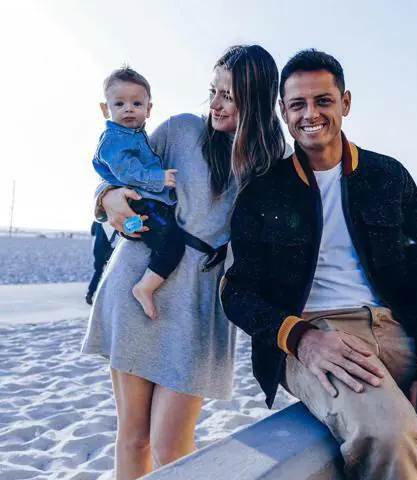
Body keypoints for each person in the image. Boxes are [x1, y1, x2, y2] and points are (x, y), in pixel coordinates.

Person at [221, 49, 417, 479]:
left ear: (345, 103)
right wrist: (301, 338)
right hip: (312, 334)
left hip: (394, 326)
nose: (310, 114)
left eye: (323, 100)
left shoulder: (388, 176)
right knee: (390, 435)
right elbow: (236, 292)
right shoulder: (263, 192)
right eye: (298, 104)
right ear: (283, 111)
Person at [81, 45, 285, 480]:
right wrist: (105, 197)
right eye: (213, 92)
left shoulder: (273, 164)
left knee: (172, 446)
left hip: (201, 301)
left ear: (257, 100)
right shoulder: (180, 130)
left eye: (229, 96)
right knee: (134, 437)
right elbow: (116, 169)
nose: (215, 104)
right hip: (137, 280)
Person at [93, 66, 182, 319]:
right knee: (173, 244)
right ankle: (145, 287)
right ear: (105, 109)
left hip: (143, 201)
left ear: (148, 109)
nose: (128, 109)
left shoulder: (135, 135)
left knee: (155, 229)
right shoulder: (114, 139)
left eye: (136, 103)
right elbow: (126, 172)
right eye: (119, 104)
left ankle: (130, 230)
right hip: (138, 200)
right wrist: (159, 178)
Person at [85, 221, 115, 305]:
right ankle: (107, 297)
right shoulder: (112, 217)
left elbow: (92, 232)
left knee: (98, 272)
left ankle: (90, 293)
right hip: (108, 249)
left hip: (97, 248)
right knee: (111, 273)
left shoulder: (97, 219)